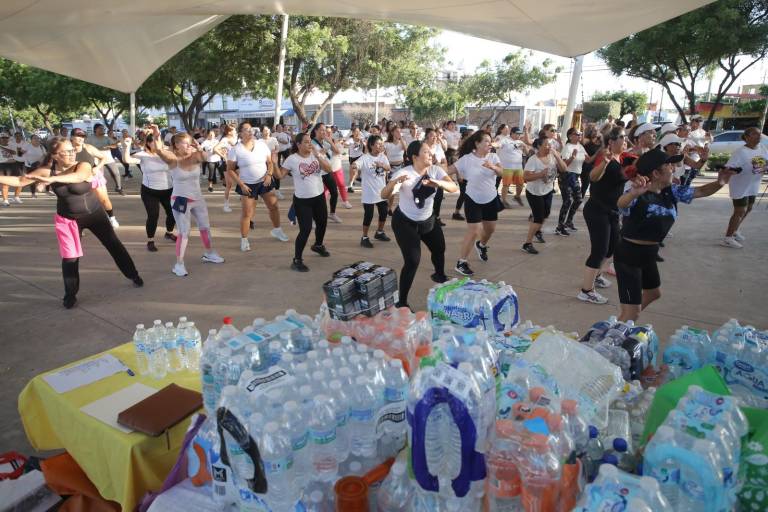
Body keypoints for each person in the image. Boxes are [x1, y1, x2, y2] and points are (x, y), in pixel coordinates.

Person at [1, 137, 142, 309]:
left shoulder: (82, 164)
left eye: (72, 150)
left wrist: (52, 180)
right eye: (66, 152)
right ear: (54, 155)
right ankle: (70, 294)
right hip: (67, 219)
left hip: (95, 215)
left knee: (113, 245)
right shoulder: (46, 171)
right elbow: (20, 181)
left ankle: (133, 274)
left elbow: (78, 177)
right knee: (70, 258)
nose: (71, 153)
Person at [615, 148, 734, 321]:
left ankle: (624, 321)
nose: (673, 168)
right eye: (669, 165)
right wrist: (633, 193)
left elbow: (700, 192)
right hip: (629, 255)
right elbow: (621, 204)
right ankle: (616, 331)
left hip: (649, 253)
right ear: (656, 173)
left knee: (653, 293)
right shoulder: (637, 191)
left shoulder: (671, 191)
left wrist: (721, 182)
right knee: (632, 312)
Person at [381, 140, 457, 309]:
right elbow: (384, 194)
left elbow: (453, 188)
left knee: (439, 248)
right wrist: (394, 183)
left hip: (428, 220)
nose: (430, 154)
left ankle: (439, 275)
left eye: (431, 152)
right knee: (413, 261)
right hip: (405, 222)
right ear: (414, 157)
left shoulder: (435, 170)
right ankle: (402, 302)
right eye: (426, 152)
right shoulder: (404, 174)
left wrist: (438, 183)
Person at [152, 126, 225, 276]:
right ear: (176, 145)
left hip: (198, 199)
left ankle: (209, 253)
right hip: (180, 200)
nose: (188, 145)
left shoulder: (194, 157)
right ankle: (179, 264)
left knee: (205, 227)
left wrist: (199, 147)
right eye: (185, 143)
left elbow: (205, 157)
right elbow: (159, 150)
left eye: (189, 142)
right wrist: (156, 135)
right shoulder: (173, 159)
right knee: (184, 232)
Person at [577, 127, 628, 304]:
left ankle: (596, 275)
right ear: (611, 141)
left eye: (625, 137)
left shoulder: (622, 158)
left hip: (612, 211)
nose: (625, 139)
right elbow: (592, 176)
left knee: (612, 246)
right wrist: (604, 163)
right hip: (597, 211)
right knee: (599, 251)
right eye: (621, 137)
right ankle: (586, 290)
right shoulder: (604, 157)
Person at [227, 122, 289, 252]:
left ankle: (277, 230)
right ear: (240, 133)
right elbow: (231, 170)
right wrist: (241, 184)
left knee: (274, 206)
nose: (250, 132)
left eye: (251, 130)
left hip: (264, 182)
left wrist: (269, 175)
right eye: (246, 130)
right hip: (247, 185)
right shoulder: (236, 149)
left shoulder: (261, 145)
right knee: (247, 214)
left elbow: (270, 162)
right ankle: (244, 239)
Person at [450, 130, 504, 275]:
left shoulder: (493, 156)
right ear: (477, 143)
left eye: (490, 140)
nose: (489, 143)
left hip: (491, 198)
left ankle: (481, 245)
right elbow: (448, 170)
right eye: (486, 141)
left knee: (490, 229)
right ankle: (461, 262)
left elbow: (502, 172)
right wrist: (432, 170)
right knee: (474, 230)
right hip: (472, 198)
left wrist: (493, 167)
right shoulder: (467, 159)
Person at [277, 132, 332, 272]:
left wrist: (318, 154)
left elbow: (329, 169)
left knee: (322, 223)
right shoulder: (292, 159)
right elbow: (280, 175)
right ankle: (297, 260)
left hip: (318, 197)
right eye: (306, 142)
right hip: (302, 201)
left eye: (310, 142)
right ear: (298, 144)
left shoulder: (316, 154)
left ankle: (318, 245)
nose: (310, 144)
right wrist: (271, 161)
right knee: (306, 229)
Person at [130, 130, 177, 252]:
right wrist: (125, 146)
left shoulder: (167, 153)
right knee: (153, 215)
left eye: (159, 142)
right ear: (149, 143)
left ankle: (169, 232)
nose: (158, 145)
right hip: (150, 191)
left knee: (173, 214)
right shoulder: (143, 155)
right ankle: (150, 240)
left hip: (168, 190)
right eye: (155, 142)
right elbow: (126, 159)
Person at [722, 126, 767, 248]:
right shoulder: (740, 152)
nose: (759, 136)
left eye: (759, 134)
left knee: (749, 208)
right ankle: (728, 237)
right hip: (740, 185)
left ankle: (735, 230)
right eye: (755, 134)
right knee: (739, 210)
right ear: (747, 137)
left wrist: (764, 167)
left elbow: (764, 163)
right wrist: (731, 171)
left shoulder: (762, 148)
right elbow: (729, 168)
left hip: (754, 184)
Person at [522, 138, 567, 254]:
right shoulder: (533, 160)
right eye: (547, 144)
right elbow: (526, 177)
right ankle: (527, 243)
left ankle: (537, 230)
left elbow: (564, 169)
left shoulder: (553, 156)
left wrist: (557, 156)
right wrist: (540, 174)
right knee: (538, 218)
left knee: (546, 214)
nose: (549, 146)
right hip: (534, 193)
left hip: (547, 191)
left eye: (550, 144)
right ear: (539, 146)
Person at [70, 129, 120, 228]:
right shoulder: (68, 149)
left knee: (104, 199)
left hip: (93, 176)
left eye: (83, 136)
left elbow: (103, 157)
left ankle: (112, 218)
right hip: (76, 179)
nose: (81, 139)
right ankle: (79, 225)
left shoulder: (88, 148)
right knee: (78, 204)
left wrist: (97, 167)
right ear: (71, 137)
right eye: (78, 136)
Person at [354, 135, 392, 248]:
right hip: (369, 193)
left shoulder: (383, 157)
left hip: (381, 191)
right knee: (369, 215)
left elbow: (389, 168)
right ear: (371, 145)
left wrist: (382, 165)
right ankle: (364, 237)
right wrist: (354, 165)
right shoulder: (365, 158)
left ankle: (379, 232)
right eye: (378, 144)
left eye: (381, 144)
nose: (381, 146)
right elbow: (357, 164)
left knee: (384, 212)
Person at [310, 123, 343, 223]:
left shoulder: (326, 142)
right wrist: (320, 153)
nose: (324, 132)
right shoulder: (311, 143)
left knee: (334, 193)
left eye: (325, 130)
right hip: (316, 174)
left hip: (327, 172)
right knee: (315, 196)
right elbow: (312, 159)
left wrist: (330, 142)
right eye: (321, 130)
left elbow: (337, 151)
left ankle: (332, 214)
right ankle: (312, 218)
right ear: (315, 131)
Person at [556, 127, 586, 235]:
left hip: (575, 176)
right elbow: (563, 166)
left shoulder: (580, 147)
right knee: (567, 201)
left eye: (580, 134)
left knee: (578, 199)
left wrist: (600, 153)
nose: (579, 135)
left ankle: (568, 222)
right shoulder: (567, 148)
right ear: (570, 136)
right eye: (577, 134)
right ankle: (560, 226)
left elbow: (589, 159)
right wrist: (572, 157)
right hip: (566, 176)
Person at [495, 125, 529, 207]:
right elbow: (498, 145)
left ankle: (517, 196)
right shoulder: (505, 140)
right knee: (506, 185)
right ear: (512, 133)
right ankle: (504, 201)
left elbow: (527, 153)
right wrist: (493, 144)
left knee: (521, 185)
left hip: (518, 167)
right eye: (517, 134)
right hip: (507, 167)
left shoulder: (520, 142)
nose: (518, 135)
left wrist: (525, 147)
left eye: (519, 134)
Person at [86, 124, 124, 195]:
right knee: (100, 175)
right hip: (97, 159)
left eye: (103, 128)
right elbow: (85, 146)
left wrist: (109, 146)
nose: (103, 130)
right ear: (95, 130)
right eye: (100, 128)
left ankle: (119, 188)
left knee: (116, 173)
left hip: (108, 158)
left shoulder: (107, 138)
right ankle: (101, 191)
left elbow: (115, 145)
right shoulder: (90, 138)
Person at [325, 125, 351, 209]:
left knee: (341, 184)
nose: (328, 133)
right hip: (326, 168)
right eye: (327, 132)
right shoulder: (321, 142)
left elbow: (339, 151)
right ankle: (322, 204)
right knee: (326, 188)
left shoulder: (336, 141)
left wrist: (331, 143)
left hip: (337, 167)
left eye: (330, 132)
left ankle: (345, 201)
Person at [261, 126, 283, 199]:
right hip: (263, 161)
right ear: (262, 132)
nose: (267, 132)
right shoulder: (259, 141)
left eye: (268, 130)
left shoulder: (273, 139)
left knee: (276, 176)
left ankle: (277, 191)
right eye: (265, 130)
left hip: (273, 160)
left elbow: (278, 149)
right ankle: (262, 192)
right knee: (263, 176)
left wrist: (274, 152)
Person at [1, 132, 23, 205]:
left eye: (6, 138)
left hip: (14, 164)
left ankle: (16, 197)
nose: (5, 139)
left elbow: (14, 153)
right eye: (3, 138)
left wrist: (2, 147)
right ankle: (5, 200)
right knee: (5, 183)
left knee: (20, 181)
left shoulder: (12, 145)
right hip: (2, 165)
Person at [580, 127, 603, 198]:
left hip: (595, 166)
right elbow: (583, 141)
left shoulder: (600, 143)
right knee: (585, 184)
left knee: (593, 185)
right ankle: (579, 200)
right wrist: (584, 130)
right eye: (594, 131)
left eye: (597, 130)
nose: (596, 132)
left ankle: (590, 198)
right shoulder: (588, 140)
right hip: (586, 165)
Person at [345, 126, 366, 193]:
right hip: (352, 158)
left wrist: (362, 142)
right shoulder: (350, 139)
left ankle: (351, 185)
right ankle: (350, 185)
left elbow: (366, 148)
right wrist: (350, 144)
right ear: (353, 132)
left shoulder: (361, 139)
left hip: (360, 157)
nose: (357, 133)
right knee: (353, 173)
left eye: (358, 131)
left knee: (356, 172)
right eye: (356, 131)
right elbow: (345, 144)